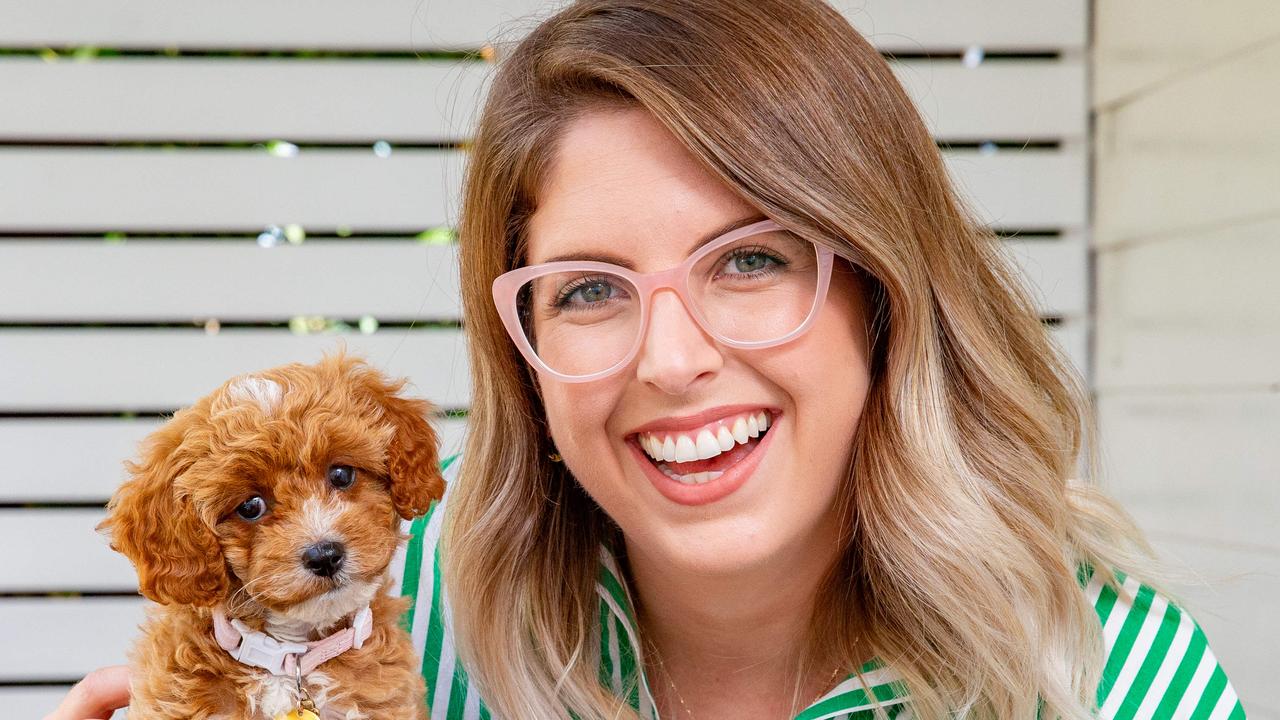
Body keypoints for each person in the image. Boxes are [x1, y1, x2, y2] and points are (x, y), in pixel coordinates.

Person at [51, 1, 1246, 718]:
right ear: (522, 351)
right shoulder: (410, 627)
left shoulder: (1107, 675)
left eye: (749, 261)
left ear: (886, 292)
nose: (671, 359)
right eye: (586, 289)